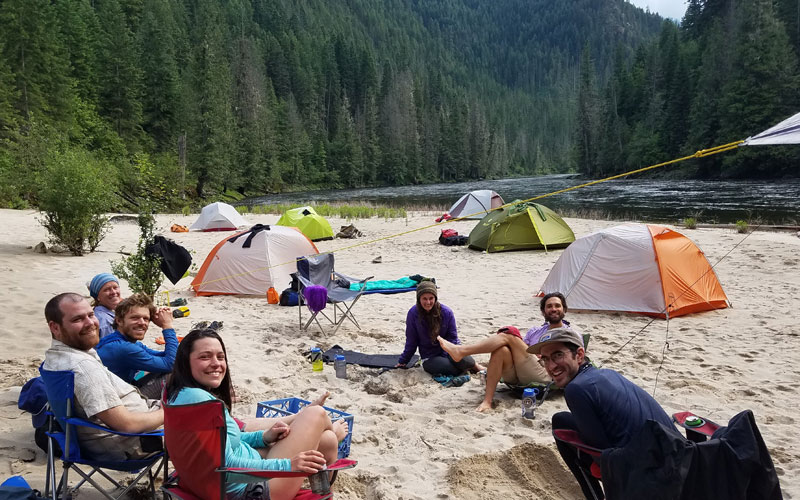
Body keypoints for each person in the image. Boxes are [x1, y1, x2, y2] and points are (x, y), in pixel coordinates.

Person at [165, 329, 349, 500]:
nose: (216, 363)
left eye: (220, 357)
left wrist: (263, 437)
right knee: (316, 413)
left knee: (327, 441)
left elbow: (221, 442)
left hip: (231, 475)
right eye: (205, 357)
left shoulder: (180, 394)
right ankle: (331, 439)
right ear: (186, 361)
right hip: (253, 491)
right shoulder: (202, 401)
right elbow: (224, 466)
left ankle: (330, 438)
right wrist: (288, 465)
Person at [529, 327, 678, 500]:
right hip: (677, 460)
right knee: (562, 419)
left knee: (560, 425)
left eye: (557, 355)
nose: (551, 366)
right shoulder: (607, 373)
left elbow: (600, 452)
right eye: (545, 359)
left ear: (579, 355)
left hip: (652, 479)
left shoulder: (576, 389)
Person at [42, 293, 164, 461]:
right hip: (132, 443)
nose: (90, 323)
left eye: (91, 315)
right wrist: (168, 413)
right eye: (78, 319)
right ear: (55, 327)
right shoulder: (82, 367)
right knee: (205, 423)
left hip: (123, 432)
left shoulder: (55, 357)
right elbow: (126, 425)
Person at [438, 292, 573, 412]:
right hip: (522, 372)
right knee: (502, 350)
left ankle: (461, 351)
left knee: (509, 336)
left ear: (564, 309)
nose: (553, 309)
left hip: (545, 374)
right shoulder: (535, 331)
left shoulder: (570, 334)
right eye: (549, 306)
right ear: (543, 311)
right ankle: (487, 401)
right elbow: (520, 351)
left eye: (557, 306)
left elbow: (573, 363)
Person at [95, 293, 178, 399]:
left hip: (119, 390)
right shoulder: (123, 348)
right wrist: (167, 326)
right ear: (119, 321)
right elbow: (171, 363)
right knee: (174, 374)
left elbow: (165, 356)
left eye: (146, 319)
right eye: (135, 318)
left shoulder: (124, 341)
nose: (142, 323)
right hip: (114, 401)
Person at [395, 281, 482, 377]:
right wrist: (403, 361)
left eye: (431, 298)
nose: (428, 302)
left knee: (467, 361)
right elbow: (411, 341)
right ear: (419, 299)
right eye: (424, 299)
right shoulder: (413, 314)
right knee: (450, 368)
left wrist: (448, 354)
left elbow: (452, 338)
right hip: (430, 356)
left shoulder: (446, 312)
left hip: (450, 350)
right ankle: (465, 370)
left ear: (435, 298)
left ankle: (475, 366)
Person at [88, 273, 122, 338]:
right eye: (107, 289)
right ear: (97, 297)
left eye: (115, 287)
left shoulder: (102, 313)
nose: (113, 292)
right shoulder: (105, 321)